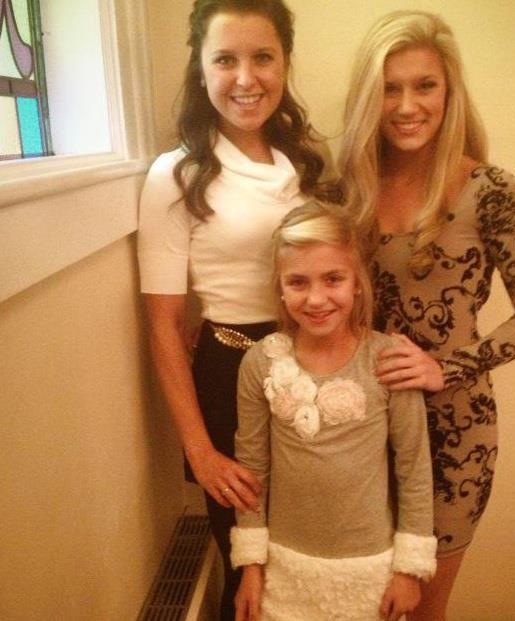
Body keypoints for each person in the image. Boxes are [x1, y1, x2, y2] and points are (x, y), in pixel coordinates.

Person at [338, 10, 515, 620]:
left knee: (423, 611)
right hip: (359, 425)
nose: (407, 105)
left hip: (454, 435)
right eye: (390, 88)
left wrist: (446, 367)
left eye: (424, 85)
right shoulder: (347, 190)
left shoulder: (490, 189)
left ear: (449, 91)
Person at [137, 1, 337, 619]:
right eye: (225, 59)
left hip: (320, 367)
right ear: (200, 69)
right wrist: (199, 451)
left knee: (317, 563)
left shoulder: (308, 165)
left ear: (285, 64)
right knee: (252, 575)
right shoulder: (176, 174)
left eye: (262, 58)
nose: (246, 79)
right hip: (231, 379)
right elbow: (164, 325)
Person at [230, 202, 437, 621]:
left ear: (357, 282)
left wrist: (408, 570)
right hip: (284, 569)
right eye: (298, 282)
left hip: (370, 570)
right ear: (280, 287)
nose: (316, 298)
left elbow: (414, 468)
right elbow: (252, 469)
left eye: (333, 279)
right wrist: (251, 565)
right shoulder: (260, 363)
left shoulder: (388, 360)